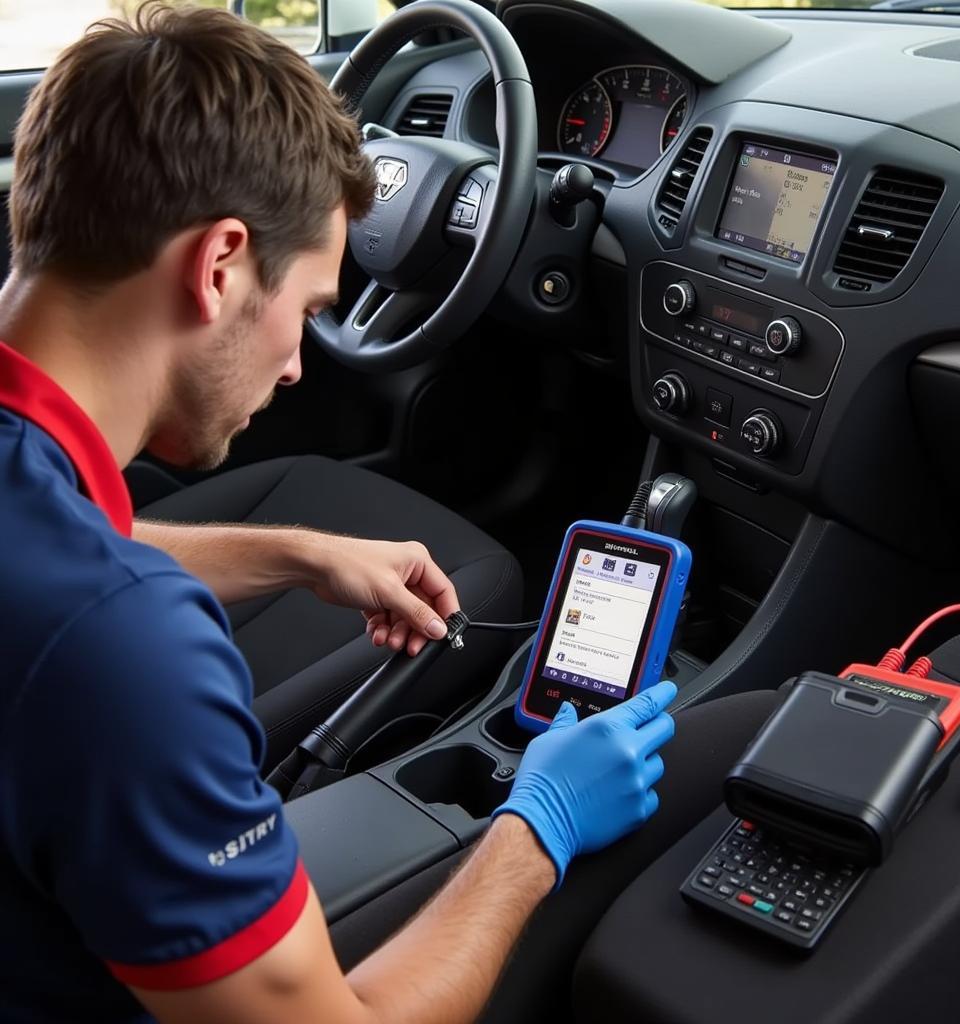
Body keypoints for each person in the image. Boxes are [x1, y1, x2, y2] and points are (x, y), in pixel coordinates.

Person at [0, 5, 683, 1022]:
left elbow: (58, 554)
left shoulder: (54, 544)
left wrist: (295, 553)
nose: (292, 365)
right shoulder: (128, 649)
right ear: (220, 263)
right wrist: (536, 825)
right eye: (311, 311)